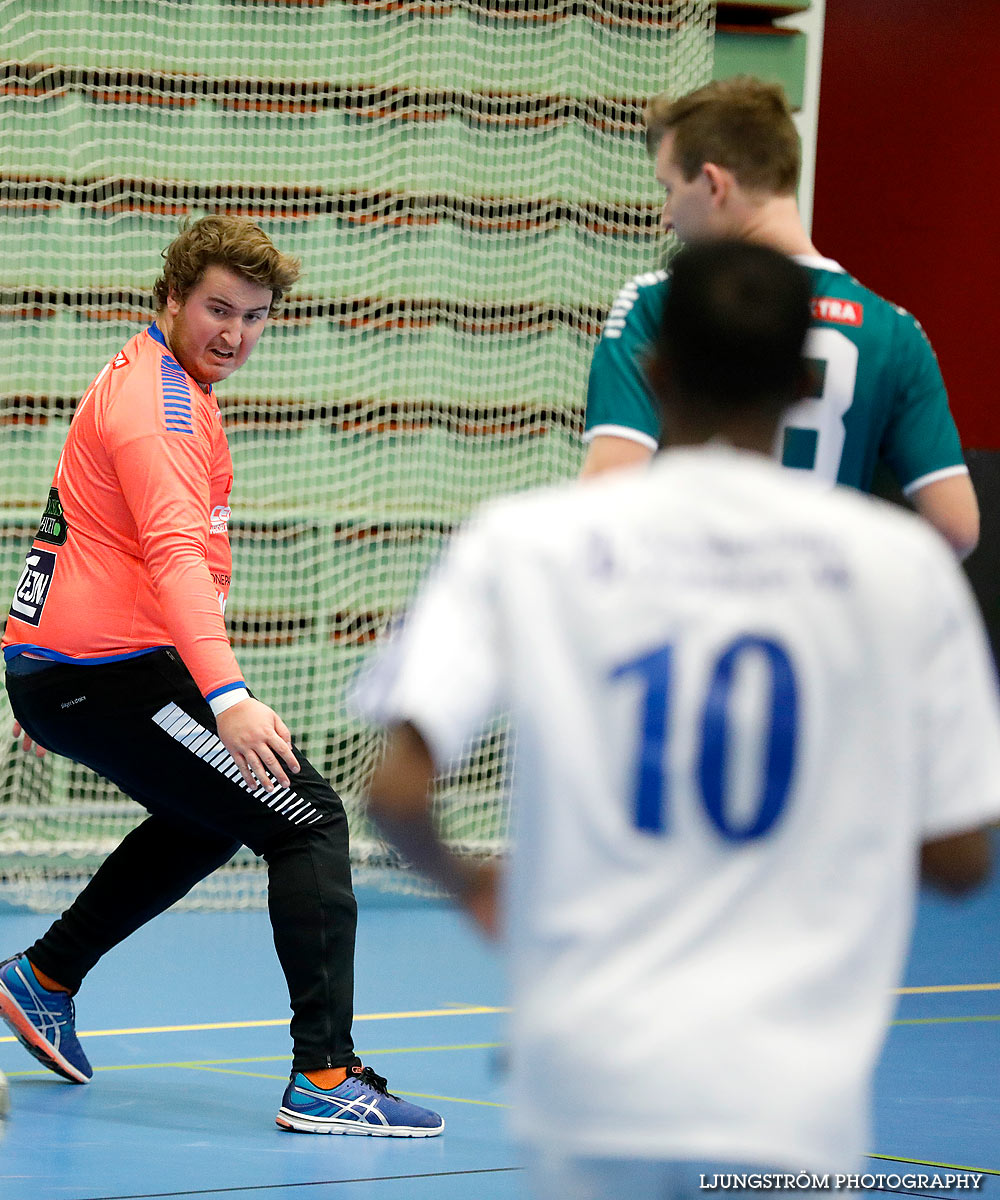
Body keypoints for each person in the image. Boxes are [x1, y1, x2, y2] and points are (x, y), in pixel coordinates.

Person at [353, 240, 1000, 1198]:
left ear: (652, 371)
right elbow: (960, 860)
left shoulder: (527, 542)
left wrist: (476, 885)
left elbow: (397, 790)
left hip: (589, 1072)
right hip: (791, 1090)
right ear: (799, 385)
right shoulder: (898, 567)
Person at [0, 214, 443, 1136]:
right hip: (102, 672)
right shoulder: (160, 411)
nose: (234, 333)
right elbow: (176, 555)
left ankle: (47, 976)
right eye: (217, 309)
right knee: (306, 818)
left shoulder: (156, 377)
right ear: (172, 299)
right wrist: (226, 697)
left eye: (255, 316)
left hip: (80, 666)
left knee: (208, 817)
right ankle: (325, 1075)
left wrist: (38, 658)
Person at [581, 76, 979, 560]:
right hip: (819, 618)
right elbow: (958, 528)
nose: (666, 216)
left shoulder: (658, 303)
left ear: (713, 183)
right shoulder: (895, 330)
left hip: (694, 608)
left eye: (669, 189)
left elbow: (609, 487)